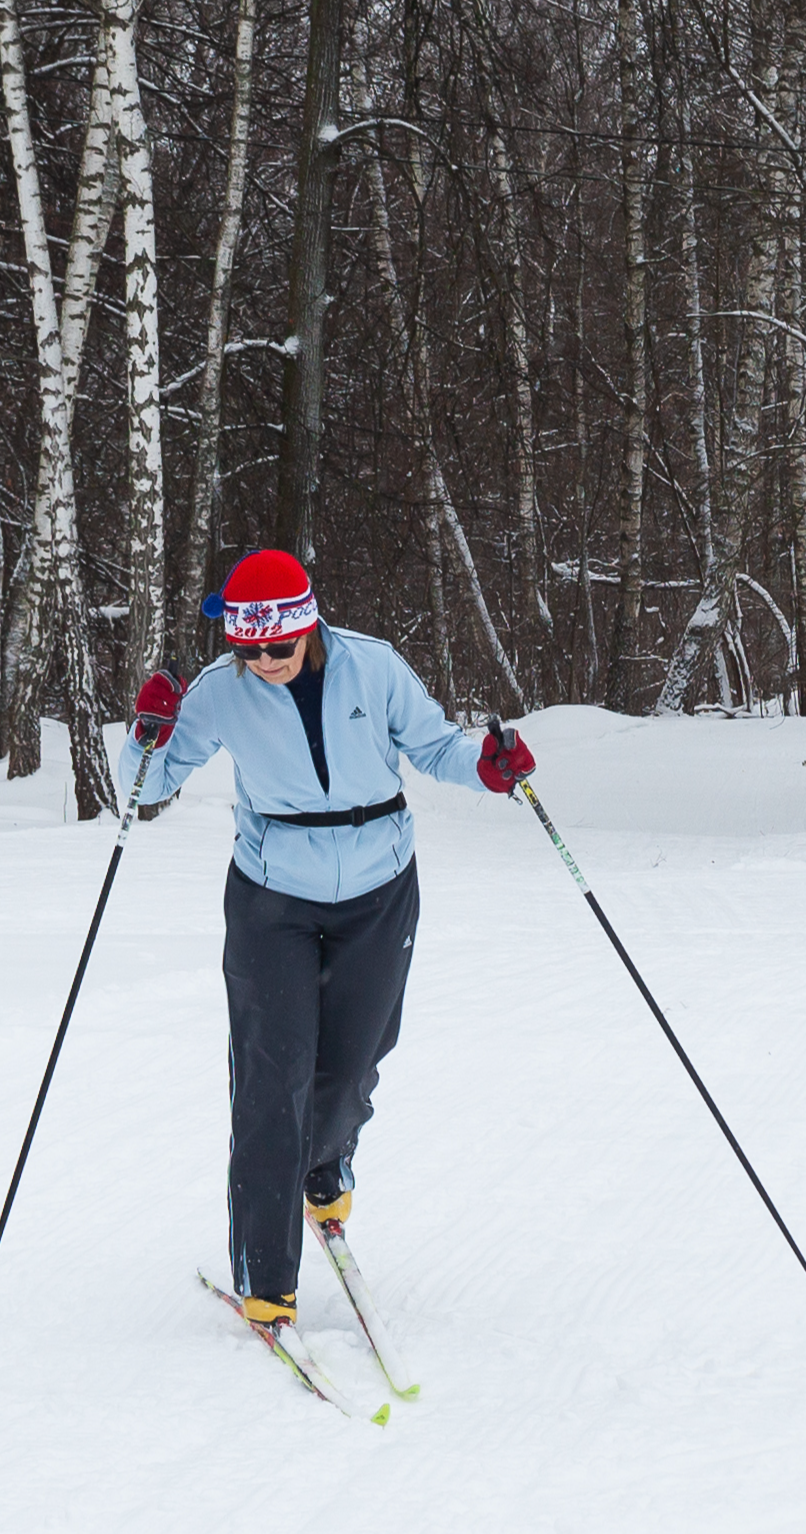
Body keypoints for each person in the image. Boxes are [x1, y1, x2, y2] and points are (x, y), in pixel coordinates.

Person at [127, 549, 533, 1336]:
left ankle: (327, 1160)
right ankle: (267, 1275)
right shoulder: (222, 692)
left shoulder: (373, 669)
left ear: (307, 628)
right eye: (247, 650)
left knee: (352, 1063)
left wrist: (487, 766)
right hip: (272, 897)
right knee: (271, 1081)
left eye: (277, 647)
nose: (264, 663)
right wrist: (151, 732)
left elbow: (436, 746)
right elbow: (144, 788)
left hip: (379, 886)